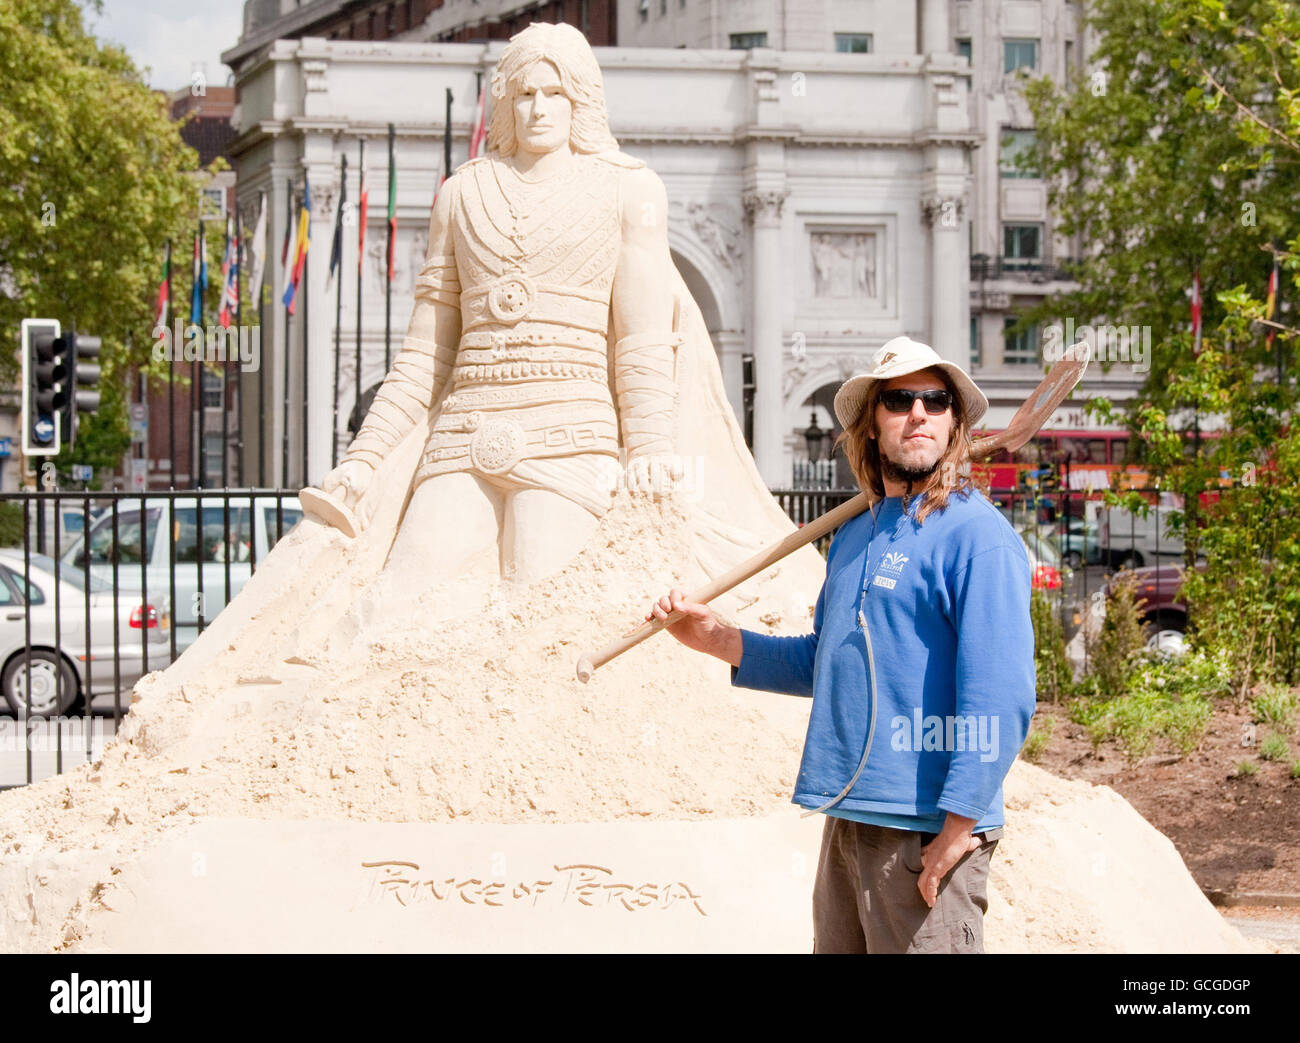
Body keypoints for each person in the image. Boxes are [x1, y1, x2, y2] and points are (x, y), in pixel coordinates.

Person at [646, 336, 1036, 953]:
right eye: (900, 399)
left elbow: (1002, 691)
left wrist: (961, 824)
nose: (919, 413)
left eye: (936, 401)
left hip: (927, 828)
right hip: (850, 816)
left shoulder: (977, 537)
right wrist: (717, 638)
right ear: (871, 422)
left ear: (955, 422)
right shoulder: (856, 535)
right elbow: (822, 661)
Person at [318, 21, 681, 590]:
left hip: (572, 430)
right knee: (404, 587)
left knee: (538, 585)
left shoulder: (630, 191)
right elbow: (424, 355)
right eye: (525, 93)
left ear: (581, 98)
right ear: (505, 101)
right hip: (465, 431)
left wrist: (650, 446)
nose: (539, 108)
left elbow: (642, 337)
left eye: (555, 92)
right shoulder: (461, 194)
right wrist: (364, 457)